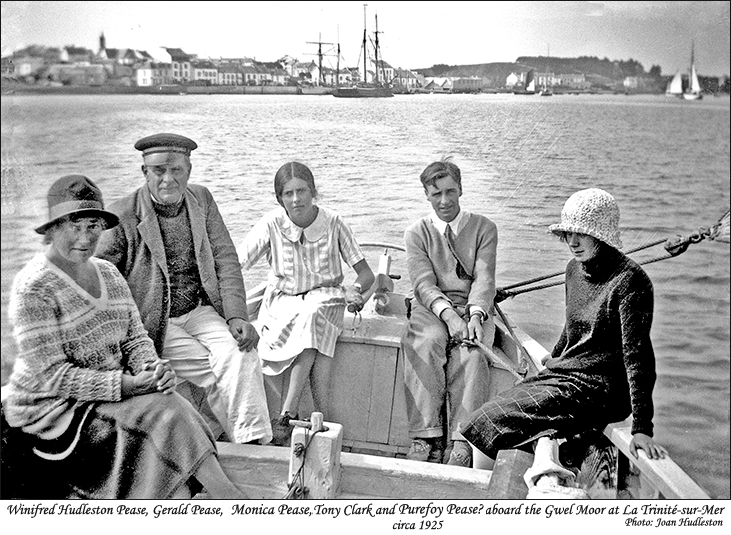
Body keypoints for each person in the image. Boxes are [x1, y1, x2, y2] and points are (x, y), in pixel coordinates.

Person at [1, 175, 244, 498]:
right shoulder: (35, 286)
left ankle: (210, 500)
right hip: (53, 412)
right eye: (75, 226)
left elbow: (135, 339)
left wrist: (152, 370)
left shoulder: (108, 273)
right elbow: (52, 377)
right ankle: (232, 499)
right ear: (53, 229)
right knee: (166, 412)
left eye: (93, 226)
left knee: (171, 402)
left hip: (103, 396)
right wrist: (127, 385)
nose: (86, 238)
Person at [460, 188, 667, 492]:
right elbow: (571, 330)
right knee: (484, 419)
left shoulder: (631, 280)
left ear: (602, 234)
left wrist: (642, 428)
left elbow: (638, 358)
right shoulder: (574, 270)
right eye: (568, 232)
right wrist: (554, 358)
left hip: (603, 390)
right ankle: (501, 490)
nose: (572, 241)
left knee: (492, 422)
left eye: (582, 233)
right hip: (568, 375)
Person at [95, 133, 271, 445]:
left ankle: (251, 444)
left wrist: (236, 317)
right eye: (159, 170)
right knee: (220, 373)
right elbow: (101, 281)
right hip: (154, 321)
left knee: (242, 354)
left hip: (199, 311)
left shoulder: (201, 199)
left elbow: (226, 260)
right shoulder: (122, 214)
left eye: (176, 170)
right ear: (144, 172)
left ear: (188, 170)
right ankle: (248, 445)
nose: (168, 179)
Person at [238, 161, 374, 446]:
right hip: (282, 302)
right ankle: (321, 415)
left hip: (326, 298)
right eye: (288, 194)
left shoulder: (333, 223)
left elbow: (365, 273)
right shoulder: (272, 223)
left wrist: (355, 290)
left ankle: (287, 414)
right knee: (311, 328)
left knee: (312, 312)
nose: (296, 199)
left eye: (302, 191)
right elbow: (237, 263)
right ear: (280, 198)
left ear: (314, 192)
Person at [401, 158, 498, 468]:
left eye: (450, 191)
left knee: (472, 355)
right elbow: (423, 284)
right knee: (427, 343)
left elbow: (484, 279)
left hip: (473, 307)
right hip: (431, 308)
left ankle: (463, 440)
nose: (444, 201)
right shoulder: (416, 233)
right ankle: (424, 435)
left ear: (461, 190)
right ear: (426, 195)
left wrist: (474, 316)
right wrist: (449, 316)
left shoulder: (485, 228)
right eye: (436, 194)